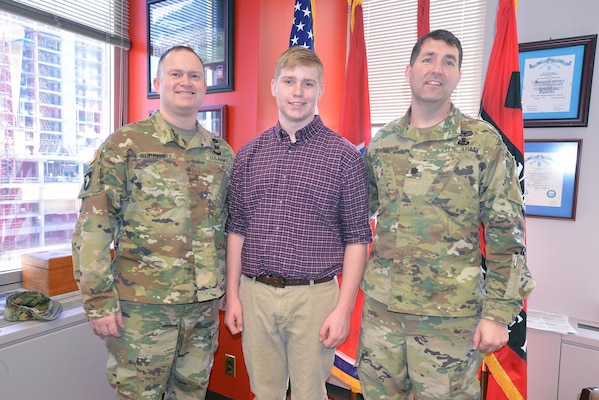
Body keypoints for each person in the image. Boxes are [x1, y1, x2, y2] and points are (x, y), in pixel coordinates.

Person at [357, 30, 535, 400]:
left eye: (448, 62)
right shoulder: (383, 143)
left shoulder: (483, 142)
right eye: (428, 59)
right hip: (382, 315)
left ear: (457, 75)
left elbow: (507, 232)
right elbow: (357, 217)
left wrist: (499, 313)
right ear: (409, 71)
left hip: (450, 321)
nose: (437, 69)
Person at [72, 45, 234, 400]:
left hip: (202, 309)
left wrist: (229, 291)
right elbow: (93, 228)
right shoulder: (124, 145)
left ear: (205, 86)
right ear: (158, 82)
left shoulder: (222, 153)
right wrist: (98, 300)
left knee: (192, 393)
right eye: (176, 74)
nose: (185, 82)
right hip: (142, 309)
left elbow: (230, 227)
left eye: (194, 76)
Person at [223, 45, 372, 400]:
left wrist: (344, 309)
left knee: (310, 393)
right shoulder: (248, 155)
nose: (297, 92)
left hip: (314, 297)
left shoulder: (344, 158)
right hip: (255, 294)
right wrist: (233, 295)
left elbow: (357, 239)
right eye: (289, 81)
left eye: (308, 83)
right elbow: (237, 229)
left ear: (320, 90)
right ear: (274, 86)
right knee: (264, 392)